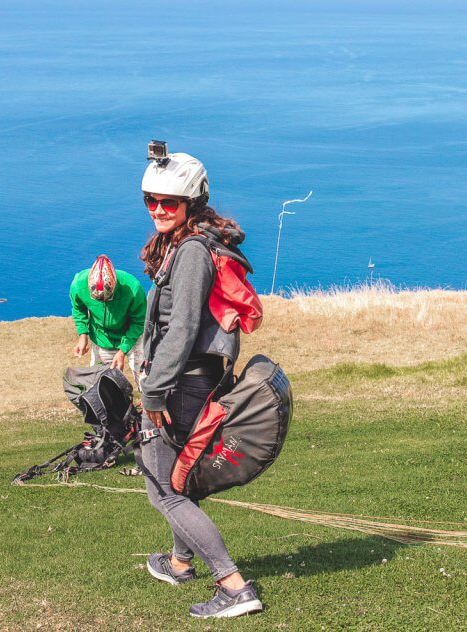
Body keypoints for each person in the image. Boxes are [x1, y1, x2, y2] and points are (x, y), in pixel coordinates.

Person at [136, 148, 263, 618]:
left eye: (169, 201)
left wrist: (153, 390)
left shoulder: (191, 252)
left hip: (180, 385)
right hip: (194, 381)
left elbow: (183, 328)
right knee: (178, 480)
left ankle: (233, 586)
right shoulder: (197, 243)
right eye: (151, 200)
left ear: (193, 202)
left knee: (164, 489)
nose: (158, 209)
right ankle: (177, 562)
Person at [70, 255, 147, 388]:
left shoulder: (133, 287)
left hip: (133, 336)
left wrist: (123, 350)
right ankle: (114, 408)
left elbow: (139, 322)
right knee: (99, 383)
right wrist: (83, 334)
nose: (104, 302)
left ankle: (149, 407)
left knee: (145, 381)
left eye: (108, 298)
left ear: (115, 284)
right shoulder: (78, 284)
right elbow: (78, 308)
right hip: (102, 338)